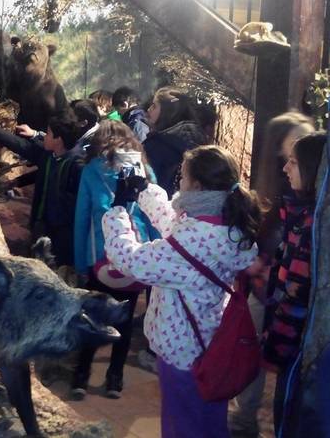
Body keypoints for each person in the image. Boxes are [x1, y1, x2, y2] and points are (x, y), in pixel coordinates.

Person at [102, 145, 261, 438]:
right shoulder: (224, 224)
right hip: (211, 342)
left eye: (183, 178)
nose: (180, 183)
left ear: (197, 186)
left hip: (183, 350)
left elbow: (130, 260)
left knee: (183, 426)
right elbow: (175, 228)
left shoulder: (193, 241)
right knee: (208, 421)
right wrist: (144, 191)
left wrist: (117, 210)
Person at [228, 112, 315, 436]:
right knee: (255, 357)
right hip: (266, 291)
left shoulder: (309, 210)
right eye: (295, 140)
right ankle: (244, 418)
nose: (289, 164)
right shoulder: (282, 196)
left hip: (284, 300)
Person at [70, 120, 158, 400]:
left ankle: (81, 374)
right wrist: (156, 260)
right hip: (134, 255)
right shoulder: (144, 170)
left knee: (92, 315)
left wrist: (80, 262)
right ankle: (114, 378)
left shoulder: (91, 171)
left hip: (99, 255)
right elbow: (153, 217)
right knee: (125, 317)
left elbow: (82, 219)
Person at [262, 131, 327, 434]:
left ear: (314, 169)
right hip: (292, 346)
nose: (285, 168)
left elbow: (298, 294)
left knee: (290, 413)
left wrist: (278, 346)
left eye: (294, 162)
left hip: (299, 350)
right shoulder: (300, 213)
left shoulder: (314, 227)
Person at [0, 113, 82, 266]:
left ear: (58, 139)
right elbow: (21, 146)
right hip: (40, 221)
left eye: (48, 133)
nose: (44, 137)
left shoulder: (77, 166)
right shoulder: (51, 155)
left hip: (61, 233)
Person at [143, 86, 208, 196]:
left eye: (154, 106)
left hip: (159, 203)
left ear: (167, 111)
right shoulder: (198, 138)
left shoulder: (156, 145)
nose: (149, 109)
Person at [16, 99, 100, 157]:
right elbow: (56, 137)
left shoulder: (90, 147)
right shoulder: (80, 129)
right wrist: (34, 134)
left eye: (71, 116)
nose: (66, 117)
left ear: (83, 123)